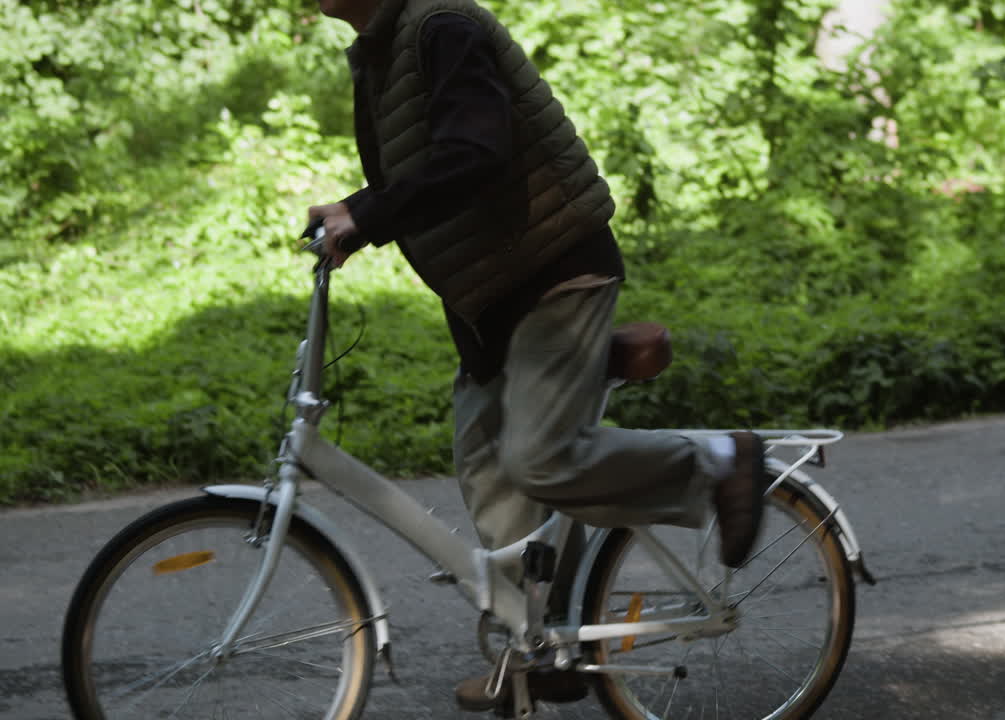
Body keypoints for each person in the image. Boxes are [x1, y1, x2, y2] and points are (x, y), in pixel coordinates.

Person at [310, 0, 767, 713]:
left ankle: (719, 461)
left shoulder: (442, 26)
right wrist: (358, 214)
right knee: (493, 482)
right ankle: (545, 648)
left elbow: (476, 151)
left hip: (554, 271)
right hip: (491, 296)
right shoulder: (381, 48)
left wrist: (366, 216)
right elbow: (429, 165)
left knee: (542, 459)